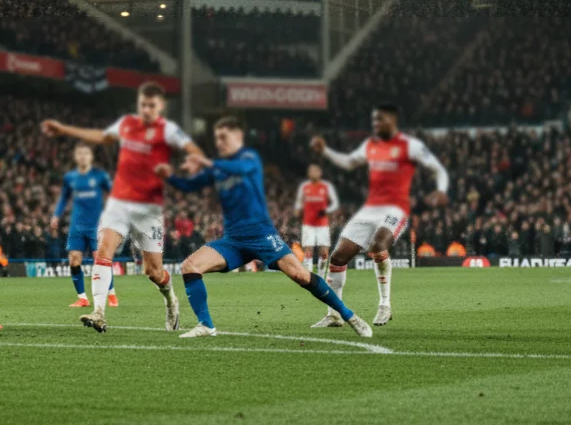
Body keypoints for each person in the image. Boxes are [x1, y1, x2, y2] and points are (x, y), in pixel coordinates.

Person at [165, 117, 371, 338]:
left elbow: (241, 169)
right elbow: (189, 184)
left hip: (262, 235)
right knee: (190, 266)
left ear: (238, 137)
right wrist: (168, 175)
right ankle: (206, 325)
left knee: (301, 276)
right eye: (217, 139)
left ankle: (350, 316)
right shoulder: (218, 168)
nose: (219, 143)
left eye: (223, 137)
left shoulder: (249, 158)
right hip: (233, 240)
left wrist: (206, 162)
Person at [41, 81, 203, 334]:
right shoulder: (127, 123)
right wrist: (64, 130)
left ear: (161, 106)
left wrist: (194, 160)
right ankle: (99, 312)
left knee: (153, 271)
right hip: (119, 203)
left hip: (148, 210)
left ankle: (171, 299)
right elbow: (103, 137)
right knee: (103, 251)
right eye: (143, 104)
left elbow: (190, 147)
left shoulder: (167, 129)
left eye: (152, 105)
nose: (146, 109)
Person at [311, 103, 450, 328]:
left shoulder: (410, 146)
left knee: (378, 246)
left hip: (396, 208)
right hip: (370, 209)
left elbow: (438, 169)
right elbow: (349, 162)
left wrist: (441, 190)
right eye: (374, 120)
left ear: (393, 120)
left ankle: (385, 305)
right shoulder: (370, 145)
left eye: (380, 119)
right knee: (337, 258)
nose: (376, 124)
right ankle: (334, 314)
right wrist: (325, 150)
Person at [49, 143, 117, 308]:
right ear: (75, 157)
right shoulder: (70, 178)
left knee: (100, 260)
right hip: (76, 226)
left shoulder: (100, 176)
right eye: (79, 154)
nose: (82, 156)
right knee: (74, 260)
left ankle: (112, 294)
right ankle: (82, 298)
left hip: (96, 225)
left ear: (91, 157)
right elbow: (64, 198)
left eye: (86, 153)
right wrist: (56, 215)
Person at [293, 164, 340, 277]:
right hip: (308, 224)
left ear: (320, 173)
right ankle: (308, 277)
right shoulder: (304, 187)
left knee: (324, 252)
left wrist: (326, 210)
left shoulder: (326, 186)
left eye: (315, 170)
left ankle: (321, 275)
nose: (313, 173)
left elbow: (335, 203)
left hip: (322, 224)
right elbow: (299, 202)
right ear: (308, 173)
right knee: (308, 251)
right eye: (311, 171)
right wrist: (297, 210)